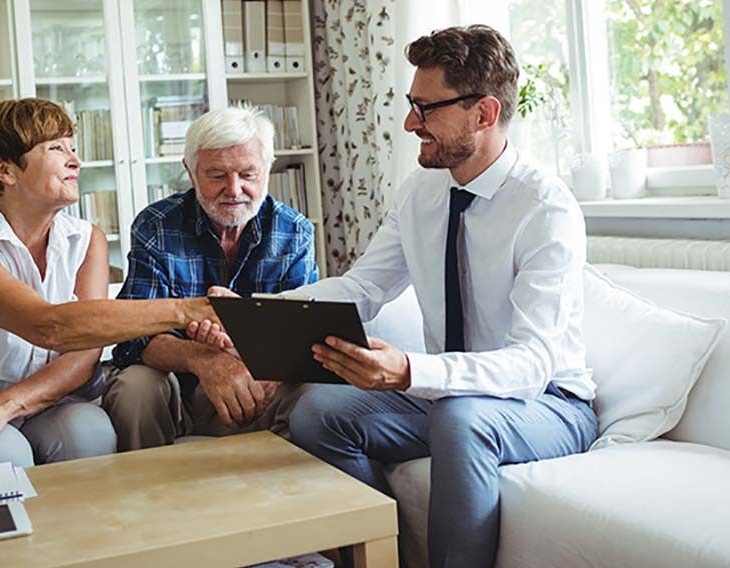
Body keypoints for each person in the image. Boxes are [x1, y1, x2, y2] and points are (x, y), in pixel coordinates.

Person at [202, 25, 597, 567]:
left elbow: (532, 365)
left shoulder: (544, 209)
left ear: (483, 113)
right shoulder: (422, 191)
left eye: (427, 109)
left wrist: (411, 371)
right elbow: (363, 288)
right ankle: (383, 556)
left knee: (461, 419)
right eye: (413, 105)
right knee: (318, 411)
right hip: (449, 394)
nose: (411, 123)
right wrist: (259, 313)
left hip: (547, 403)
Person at [0, 98, 219, 481]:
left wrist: (5, 406)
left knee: (91, 431)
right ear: (5, 170)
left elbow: (82, 356)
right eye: (55, 148)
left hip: (40, 404)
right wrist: (192, 310)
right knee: (1, 452)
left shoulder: (87, 241)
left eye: (72, 147)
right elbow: (48, 326)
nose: (75, 161)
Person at [101, 106, 318, 451]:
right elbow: (133, 340)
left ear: (267, 168)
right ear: (190, 171)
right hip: (177, 390)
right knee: (136, 387)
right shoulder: (157, 226)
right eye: (217, 175)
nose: (234, 190)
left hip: (257, 382)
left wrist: (248, 347)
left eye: (248, 174)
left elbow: (303, 338)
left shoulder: (294, 232)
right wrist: (203, 358)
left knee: (313, 394)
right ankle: (147, 496)